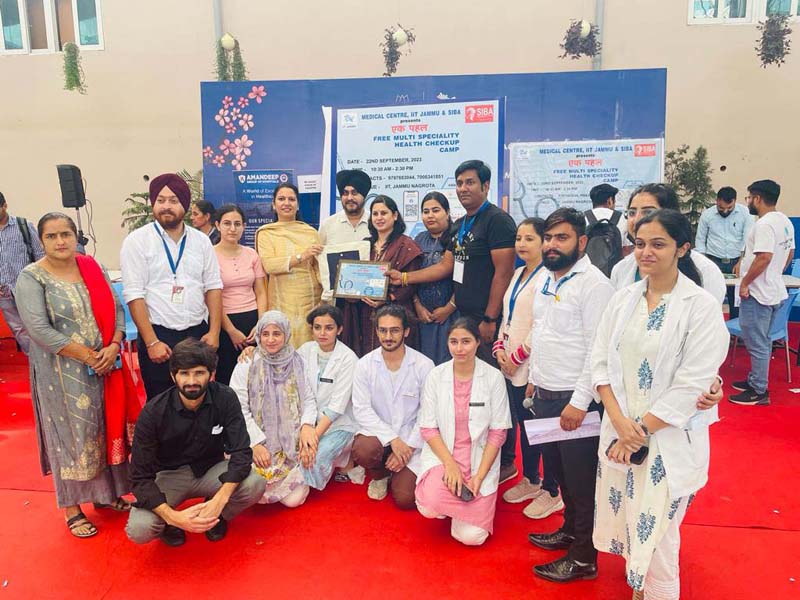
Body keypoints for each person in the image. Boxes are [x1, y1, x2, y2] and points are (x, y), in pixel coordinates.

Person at [591, 209, 729, 600]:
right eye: (639, 244)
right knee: (631, 523)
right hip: (620, 437)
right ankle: (641, 588)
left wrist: (638, 432)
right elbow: (598, 362)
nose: (645, 252)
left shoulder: (700, 306)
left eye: (658, 244)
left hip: (666, 440)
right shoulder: (623, 299)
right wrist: (620, 424)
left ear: (682, 248)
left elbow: (693, 382)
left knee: (661, 537)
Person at [15, 212, 140, 539]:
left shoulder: (91, 267)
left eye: (65, 234)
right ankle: (72, 508)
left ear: (75, 237)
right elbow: (38, 329)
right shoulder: (32, 277)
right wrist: (87, 355)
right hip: (61, 374)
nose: (60, 241)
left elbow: (116, 308)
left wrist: (114, 345)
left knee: (105, 427)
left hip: (105, 367)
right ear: (41, 241)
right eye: (52, 236)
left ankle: (107, 495)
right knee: (71, 437)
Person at [526, 207, 615, 583]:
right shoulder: (547, 278)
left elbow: (599, 350)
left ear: (581, 242)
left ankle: (583, 558)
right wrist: (533, 379)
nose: (551, 244)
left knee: (581, 483)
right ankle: (569, 531)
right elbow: (542, 333)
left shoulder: (594, 285)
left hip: (575, 402)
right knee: (560, 474)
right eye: (548, 237)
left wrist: (579, 403)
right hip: (545, 395)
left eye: (561, 238)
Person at [126, 339, 266, 546]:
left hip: (211, 469)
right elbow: (139, 478)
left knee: (256, 484)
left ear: (212, 374)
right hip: (169, 476)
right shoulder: (153, 412)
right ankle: (168, 525)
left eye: (199, 373)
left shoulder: (225, 398)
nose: (191, 381)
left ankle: (216, 516)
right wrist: (174, 518)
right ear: (173, 376)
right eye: (184, 373)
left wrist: (220, 501)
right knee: (140, 529)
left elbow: (241, 452)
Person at [388, 161, 516, 368]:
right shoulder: (460, 225)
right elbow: (445, 267)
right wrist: (403, 277)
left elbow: (504, 273)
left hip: (486, 318)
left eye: (470, 182)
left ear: (485, 186)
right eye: (459, 183)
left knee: (487, 375)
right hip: (463, 317)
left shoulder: (497, 221)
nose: (463, 188)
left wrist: (490, 319)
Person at [120, 173, 223, 400]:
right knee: (161, 402)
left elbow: (213, 287)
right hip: (158, 336)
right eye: (161, 200)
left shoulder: (201, 241)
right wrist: (151, 342)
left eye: (173, 200)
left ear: (184, 205)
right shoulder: (137, 241)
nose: (166, 206)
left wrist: (214, 332)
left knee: (199, 399)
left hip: (197, 334)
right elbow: (134, 295)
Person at [415, 318, 511, 546]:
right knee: (429, 506)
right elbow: (428, 428)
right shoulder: (436, 376)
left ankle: (463, 506)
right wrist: (450, 466)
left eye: (466, 341)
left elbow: (498, 433)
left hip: (479, 460)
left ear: (477, 342)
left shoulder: (493, 377)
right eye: (454, 342)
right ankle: (451, 504)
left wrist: (479, 477)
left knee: (471, 538)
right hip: (445, 457)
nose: (459, 348)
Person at [494, 218, 561, 519]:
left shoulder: (549, 278)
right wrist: (499, 348)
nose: (521, 244)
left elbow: (543, 325)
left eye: (529, 239)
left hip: (533, 365)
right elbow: (507, 316)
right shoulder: (518, 273)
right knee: (524, 425)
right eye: (518, 238)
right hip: (510, 363)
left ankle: (552, 490)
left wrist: (518, 356)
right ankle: (531, 478)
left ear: (544, 242)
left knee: (541, 428)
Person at [229, 311, 317, 507]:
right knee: (251, 491)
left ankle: (298, 475)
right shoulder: (247, 363)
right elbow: (237, 407)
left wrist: (307, 426)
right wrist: (254, 443)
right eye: (265, 334)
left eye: (276, 333)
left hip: (292, 441)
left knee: (293, 501)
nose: (270, 340)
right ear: (258, 335)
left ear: (286, 334)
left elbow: (309, 399)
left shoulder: (298, 361)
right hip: (257, 438)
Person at [351, 304, 435, 509]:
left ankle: (396, 469)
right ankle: (379, 474)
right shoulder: (364, 364)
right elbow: (361, 410)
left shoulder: (424, 365)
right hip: (378, 435)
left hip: (411, 438)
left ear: (406, 331)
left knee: (406, 499)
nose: (388, 337)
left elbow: (428, 413)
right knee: (364, 450)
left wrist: (408, 447)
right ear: (377, 331)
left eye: (395, 330)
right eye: (383, 330)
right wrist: (393, 440)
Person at [730, 179, 795, 406]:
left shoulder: (764, 225)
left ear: (757, 198)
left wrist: (746, 283)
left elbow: (764, 257)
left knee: (756, 341)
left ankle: (759, 390)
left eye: (749, 197)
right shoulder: (784, 221)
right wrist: (776, 273)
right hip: (773, 290)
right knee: (763, 340)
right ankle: (755, 380)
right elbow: (790, 252)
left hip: (758, 294)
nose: (748, 201)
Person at [610, 183, 726, 304]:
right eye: (632, 213)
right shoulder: (621, 269)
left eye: (648, 212)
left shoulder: (705, 270)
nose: (637, 220)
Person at [341, 195, 422, 356]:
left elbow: (412, 282)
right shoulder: (365, 244)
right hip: (365, 311)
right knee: (368, 358)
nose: (379, 218)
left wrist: (388, 298)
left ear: (395, 215)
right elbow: (355, 277)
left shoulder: (407, 246)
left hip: (396, 311)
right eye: (375, 214)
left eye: (384, 213)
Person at [297, 305, 361, 488]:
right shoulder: (305, 350)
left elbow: (336, 408)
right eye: (317, 327)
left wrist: (312, 440)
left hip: (339, 425)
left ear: (339, 329)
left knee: (313, 459)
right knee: (291, 454)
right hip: (309, 421)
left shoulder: (348, 359)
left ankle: (309, 485)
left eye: (329, 328)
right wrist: (252, 350)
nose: (322, 333)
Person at [256, 183, 323, 348]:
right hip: (281, 299)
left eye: (291, 199)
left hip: (310, 299)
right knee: (284, 341)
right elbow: (270, 265)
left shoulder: (310, 232)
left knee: (309, 345)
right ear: (274, 204)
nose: (287, 203)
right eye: (281, 199)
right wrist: (302, 256)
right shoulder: (266, 233)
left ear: (298, 205)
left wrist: (325, 298)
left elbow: (319, 268)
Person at [213, 204, 268, 385]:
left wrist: (260, 324)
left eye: (237, 224)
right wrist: (231, 330)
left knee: (255, 374)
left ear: (244, 226)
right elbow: (211, 298)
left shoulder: (251, 254)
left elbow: (261, 291)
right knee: (227, 374)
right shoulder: (209, 255)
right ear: (217, 225)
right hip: (223, 322)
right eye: (227, 223)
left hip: (253, 321)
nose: (232, 229)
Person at [413, 191, 458, 365]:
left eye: (436, 210)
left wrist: (449, 308)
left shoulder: (457, 238)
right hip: (424, 316)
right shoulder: (418, 240)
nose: (430, 215)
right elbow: (411, 274)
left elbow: (465, 279)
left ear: (447, 212)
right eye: (426, 211)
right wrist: (417, 305)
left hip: (452, 314)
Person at [695, 186, 754, 316]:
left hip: (736, 261)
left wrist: (742, 261)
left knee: (736, 301)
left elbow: (748, 240)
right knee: (711, 299)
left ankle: (734, 327)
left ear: (735, 201)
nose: (725, 211)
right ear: (717, 201)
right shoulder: (707, 215)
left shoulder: (745, 213)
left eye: (729, 208)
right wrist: (703, 263)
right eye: (721, 208)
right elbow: (700, 241)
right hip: (713, 260)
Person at [0, 191, 44, 354]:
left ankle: (46, 358)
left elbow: (40, 255)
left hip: (27, 287)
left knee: (38, 325)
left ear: (5, 206)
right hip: (3, 292)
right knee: (18, 329)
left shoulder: (23, 226)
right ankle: (34, 359)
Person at [318, 169, 372, 246]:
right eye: (345, 193)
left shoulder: (375, 223)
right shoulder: (328, 225)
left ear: (364, 196)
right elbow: (319, 252)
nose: (349, 198)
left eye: (354, 193)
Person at [586, 182, 632, 254]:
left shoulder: (584, 217)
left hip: (588, 260)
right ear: (610, 201)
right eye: (615, 202)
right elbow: (626, 249)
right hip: (616, 260)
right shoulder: (621, 217)